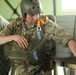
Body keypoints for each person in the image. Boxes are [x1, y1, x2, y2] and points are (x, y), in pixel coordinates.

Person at [0, 0, 76, 75]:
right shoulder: (15, 24)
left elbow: (69, 40)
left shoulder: (46, 25)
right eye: (32, 15)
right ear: (24, 14)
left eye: (38, 14)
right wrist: (14, 37)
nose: (36, 17)